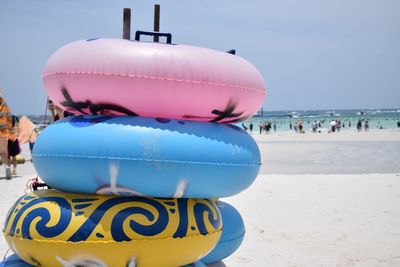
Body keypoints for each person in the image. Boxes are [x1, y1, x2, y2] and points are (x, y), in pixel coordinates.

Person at [0, 93, 12, 179]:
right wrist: (10, 131)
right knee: (4, 151)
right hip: (3, 131)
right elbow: (10, 118)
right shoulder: (4, 104)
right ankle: (6, 166)